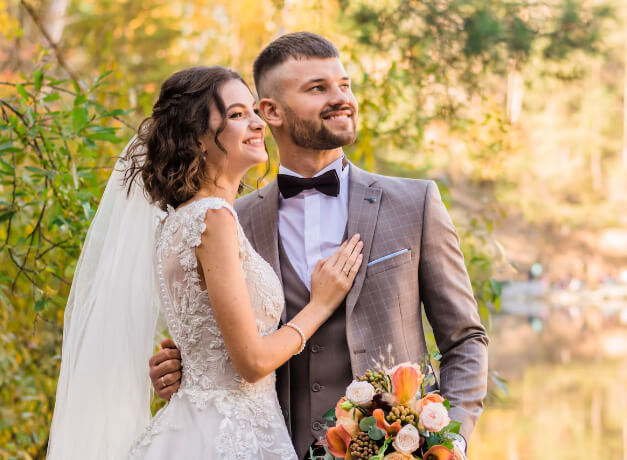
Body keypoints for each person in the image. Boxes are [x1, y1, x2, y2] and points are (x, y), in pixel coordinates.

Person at [147, 32, 489, 458]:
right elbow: (226, 342)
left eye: (344, 85)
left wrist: (450, 441)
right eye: (318, 88)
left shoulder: (414, 204)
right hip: (273, 446)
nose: (341, 98)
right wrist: (181, 367)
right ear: (270, 111)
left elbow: (465, 339)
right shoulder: (233, 219)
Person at [47, 66, 363, 459]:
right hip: (230, 435)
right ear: (198, 140)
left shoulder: (175, 222)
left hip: (197, 425)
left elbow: (204, 340)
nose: (256, 123)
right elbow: (251, 362)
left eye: (253, 111)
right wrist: (319, 305)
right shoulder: (213, 219)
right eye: (236, 115)